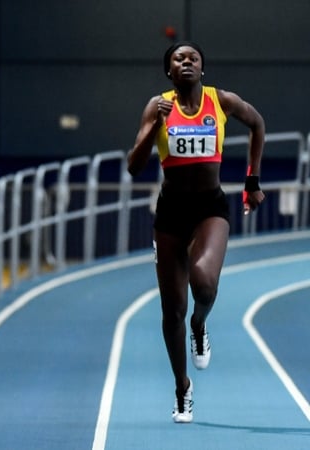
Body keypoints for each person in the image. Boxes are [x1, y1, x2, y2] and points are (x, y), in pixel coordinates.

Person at [127, 41, 265, 423]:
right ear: (168, 70)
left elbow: (257, 124)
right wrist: (155, 126)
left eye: (193, 58)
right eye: (178, 58)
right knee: (172, 309)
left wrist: (252, 180)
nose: (186, 62)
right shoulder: (157, 106)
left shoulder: (220, 101)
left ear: (202, 68)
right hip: (171, 213)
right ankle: (182, 388)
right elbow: (134, 165)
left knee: (203, 283)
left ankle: (199, 326)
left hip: (210, 208)